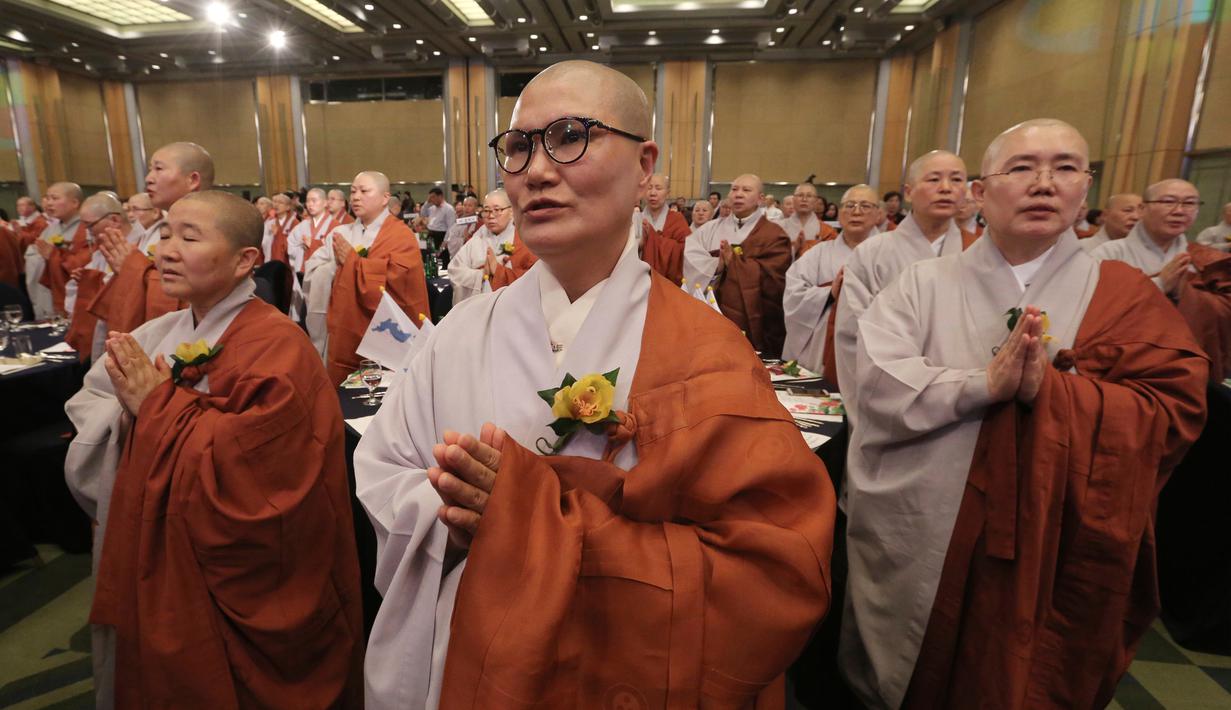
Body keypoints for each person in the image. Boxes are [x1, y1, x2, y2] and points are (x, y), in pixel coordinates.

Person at [356, 59, 834, 709]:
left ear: (644, 166)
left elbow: (773, 573)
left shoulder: (704, 349)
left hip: (625, 676)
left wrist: (529, 519)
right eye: (519, 147)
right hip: (470, 655)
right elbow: (385, 468)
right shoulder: (460, 332)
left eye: (571, 135)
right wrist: (451, 519)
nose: (538, 170)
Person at [839, 118, 1208, 710]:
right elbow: (877, 379)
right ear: (981, 195)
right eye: (1021, 168)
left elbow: (1171, 409)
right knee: (918, 668)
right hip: (933, 513)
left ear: (1084, 190)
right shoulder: (920, 284)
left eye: (1064, 168)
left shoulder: (1125, 293)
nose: (1044, 183)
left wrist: (1058, 395)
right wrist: (982, 384)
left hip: (1056, 524)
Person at [64, 190, 365, 709]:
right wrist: (133, 412)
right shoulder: (159, 331)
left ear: (245, 260)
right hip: (164, 562)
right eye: (163, 234)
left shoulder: (278, 347)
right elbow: (91, 407)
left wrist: (157, 408)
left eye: (190, 237)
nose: (166, 250)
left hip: (249, 577)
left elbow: (271, 480)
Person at [834, 150, 971, 413]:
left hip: (962, 395)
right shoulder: (871, 253)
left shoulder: (978, 252)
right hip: (888, 392)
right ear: (908, 192)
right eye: (933, 180)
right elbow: (852, 333)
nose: (946, 188)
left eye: (956, 180)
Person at [1092, 179, 1231, 382]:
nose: (1179, 211)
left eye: (1189, 203)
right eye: (1168, 201)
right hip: (1124, 365)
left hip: (1186, 363)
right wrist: (1159, 285)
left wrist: (1185, 293)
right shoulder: (1110, 252)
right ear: (1143, 208)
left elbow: (1224, 315)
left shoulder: (1204, 258)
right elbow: (1093, 306)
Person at [302, 170, 430, 384]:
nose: (356, 197)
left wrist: (353, 262)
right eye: (352, 191)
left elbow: (400, 280)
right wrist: (334, 268)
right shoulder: (342, 232)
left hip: (386, 335)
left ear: (385, 198)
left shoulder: (401, 235)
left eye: (364, 191)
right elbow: (314, 266)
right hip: (348, 329)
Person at [89, 142, 213, 334]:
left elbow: (201, 294)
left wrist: (134, 269)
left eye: (159, 168)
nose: (148, 179)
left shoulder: (214, 225)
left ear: (192, 180)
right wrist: (129, 270)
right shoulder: (156, 229)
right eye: (149, 170)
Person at [683, 173, 792, 357]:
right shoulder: (710, 229)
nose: (738, 194)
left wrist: (734, 262)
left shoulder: (774, 234)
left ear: (760, 199)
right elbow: (690, 256)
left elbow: (775, 280)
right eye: (734, 189)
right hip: (714, 312)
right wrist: (717, 264)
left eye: (746, 190)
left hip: (755, 319)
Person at [782, 184, 879, 379]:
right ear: (840, 213)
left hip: (875, 347)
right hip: (822, 349)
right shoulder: (818, 252)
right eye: (850, 205)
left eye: (865, 206)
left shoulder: (891, 255)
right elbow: (793, 293)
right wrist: (829, 293)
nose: (856, 212)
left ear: (878, 214)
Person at [64, 193, 132, 360]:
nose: (88, 234)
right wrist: (84, 278)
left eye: (90, 226)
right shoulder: (102, 249)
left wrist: (98, 279)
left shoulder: (142, 246)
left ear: (114, 220)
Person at [447, 189, 518, 304]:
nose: (490, 216)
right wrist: (481, 275)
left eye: (497, 210)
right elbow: (454, 270)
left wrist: (498, 272)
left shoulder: (522, 239)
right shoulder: (477, 239)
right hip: (477, 307)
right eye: (486, 210)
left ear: (511, 212)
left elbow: (530, 278)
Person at [26, 182, 86, 318]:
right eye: (47, 198)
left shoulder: (84, 228)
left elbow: (82, 266)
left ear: (75, 203)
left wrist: (54, 256)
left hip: (72, 301)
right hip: (46, 296)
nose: (48, 203)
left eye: (55, 198)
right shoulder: (51, 228)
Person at [640, 173, 691, 283]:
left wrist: (653, 237)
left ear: (668, 193)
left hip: (667, 283)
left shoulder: (677, 219)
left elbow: (687, 252)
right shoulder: (636, 218)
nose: (653, 193)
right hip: (639, 280)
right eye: (649, 188)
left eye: (658, 188)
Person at [776, 182, 838, 258]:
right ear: (793, 200)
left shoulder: (827, 231)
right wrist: (794, 249)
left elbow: (832, 259)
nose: (804, 199)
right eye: (800, 195)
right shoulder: (777, 228)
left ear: (815, 201)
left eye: (809, 196)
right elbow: (771, 257)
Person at [262, 193, 299, 265]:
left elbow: (295, 245)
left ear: (288, 207)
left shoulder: (294, 223)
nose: (276, 205)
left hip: (289, 263)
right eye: (275, 202)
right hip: (272, 259)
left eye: (280, 202)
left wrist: (278, 234)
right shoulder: (269, 223)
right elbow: (264, 243)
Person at [442, 195, 480, 262]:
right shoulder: (459, 221)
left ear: (476, 208)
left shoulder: (479, 222)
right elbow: (450, 239)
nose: (466, 208)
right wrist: (462, 239)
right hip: (456, 257)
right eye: (465, 205)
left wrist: (465, 239)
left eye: (470, 206)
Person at [420, 186, 457, 250]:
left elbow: (451, 227)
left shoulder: (449, 209)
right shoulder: (432, 208)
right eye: (430, 198)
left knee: (441, 258)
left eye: (433, 197)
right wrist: (427, 202)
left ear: (441, 196)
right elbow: (423, 214)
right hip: (431, 234)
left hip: (441, 236)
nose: (431, 199)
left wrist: (445, 241)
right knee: (431, 257)